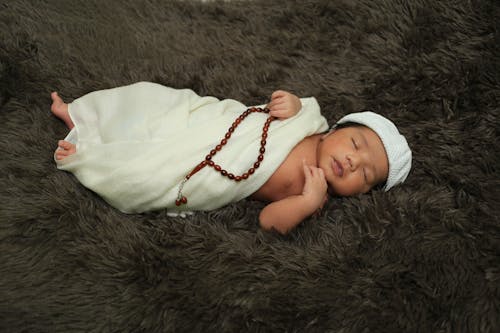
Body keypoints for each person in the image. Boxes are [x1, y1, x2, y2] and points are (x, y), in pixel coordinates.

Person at [52, 82, 411, 234]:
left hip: (213, 167)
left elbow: (270, 222)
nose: (352, 162)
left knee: (152, 173)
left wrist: (304, 203)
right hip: (215, 121)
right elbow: (282, 105)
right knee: (159, 103)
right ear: (335, 129)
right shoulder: (309, 120)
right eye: (355, 144)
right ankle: (84, 115)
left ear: (362, 194)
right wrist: (292, 102)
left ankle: (91, 156)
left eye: (365, 175)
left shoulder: (314, 195)